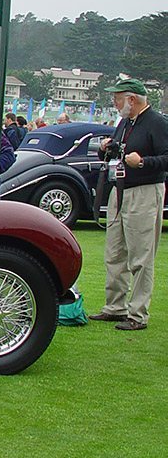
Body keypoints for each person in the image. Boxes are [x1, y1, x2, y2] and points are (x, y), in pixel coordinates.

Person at [90, 78, 168, 331]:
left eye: (117, 98)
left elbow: (165, 158)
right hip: (120, 190)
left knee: (141, 255)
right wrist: (106, 149)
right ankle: (115, 306)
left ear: (131, 100)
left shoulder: (157, 123)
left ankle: (138, 314)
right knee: (115, 253)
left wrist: (143, 162)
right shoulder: (125, 123)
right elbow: (118, 151)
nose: (114, 103)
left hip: (144, 191)